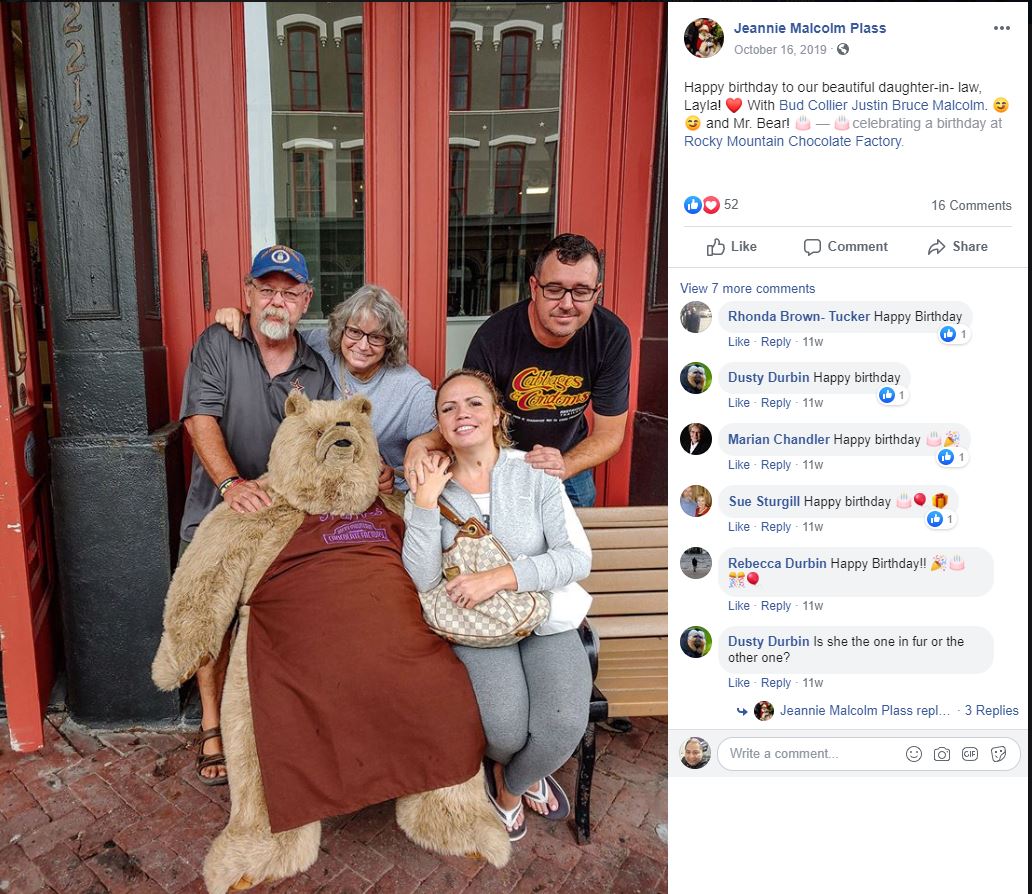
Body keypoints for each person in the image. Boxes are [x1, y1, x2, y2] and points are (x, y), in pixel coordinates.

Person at [402, 369, 593, 841]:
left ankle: (510, 787)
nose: (461, 414)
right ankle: (520, 770)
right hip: (479, 629)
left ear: (495, 415)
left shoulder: (535, 474)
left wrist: (500, 577)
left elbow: (575, 559)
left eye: (473, 404)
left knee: (562, 724)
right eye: (448, 408)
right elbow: (422, 578)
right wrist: (424, 506)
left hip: (544, 616)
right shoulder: (429, 487)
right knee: (504, 732)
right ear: (440, 426)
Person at [179, 245, 336, 783]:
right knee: (209, 611)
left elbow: (321, 442)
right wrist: (230, 484)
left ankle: (272, 722)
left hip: (286, 511)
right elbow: (200, 420)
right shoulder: (219, 342)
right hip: (220, 501)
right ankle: (212, 725)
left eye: (289, 293)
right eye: (266, 290)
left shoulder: (317, 366)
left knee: (290, 613)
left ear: (305, 301)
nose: (277, 302)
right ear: (246, 295)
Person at [405, 234, 631, 507]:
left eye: (581, 291)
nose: (567, 303)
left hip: (569, 461)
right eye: (555, 289)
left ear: (597, 292)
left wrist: (564, 465)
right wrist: (423, 443)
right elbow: (470, 415)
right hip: (502, 462)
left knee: (575, 541)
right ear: (534, 287)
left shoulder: (610, 337)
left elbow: (610, 433)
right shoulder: (494, 337)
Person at [215, 284, 436, 490]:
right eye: (355, 332)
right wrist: (241, 317)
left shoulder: (408, 386)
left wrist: (420, 445)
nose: (362, 345)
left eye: (376, 337)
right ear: (341, 329)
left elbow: (450, 425)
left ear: (390, 343)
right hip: (322, 489)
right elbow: (275, 332)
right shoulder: (319, 346)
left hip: (381, 495)